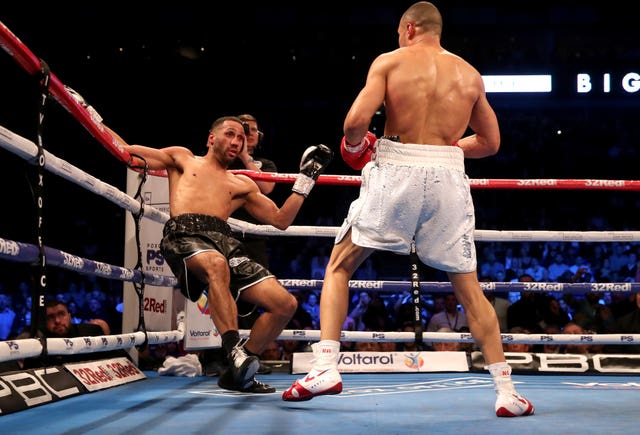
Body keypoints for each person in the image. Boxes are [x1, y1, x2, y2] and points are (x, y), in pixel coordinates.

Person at [282, 2, 534, 417]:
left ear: (408, 27)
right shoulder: (469, 74)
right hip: (448, 175)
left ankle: (325, 366)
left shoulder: (390, 61)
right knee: (469, 290)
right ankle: (506, 391)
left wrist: (355, 149)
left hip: (397, 165)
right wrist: (449, 147)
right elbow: (490, 143)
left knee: (340, 265)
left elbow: (353, 123)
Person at [99, 113, 333, 393]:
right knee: (216, 264)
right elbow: (128, 154)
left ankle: (239, 371)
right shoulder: (183, 159)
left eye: (241, 138)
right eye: (230, 134)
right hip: (185, 235)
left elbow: (281, 220)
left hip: (224, 241)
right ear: (211, 138)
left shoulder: (241, 184)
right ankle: (233, 351)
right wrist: (90, 114)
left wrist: (306, 179)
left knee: (285, 304)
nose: (236, 141)